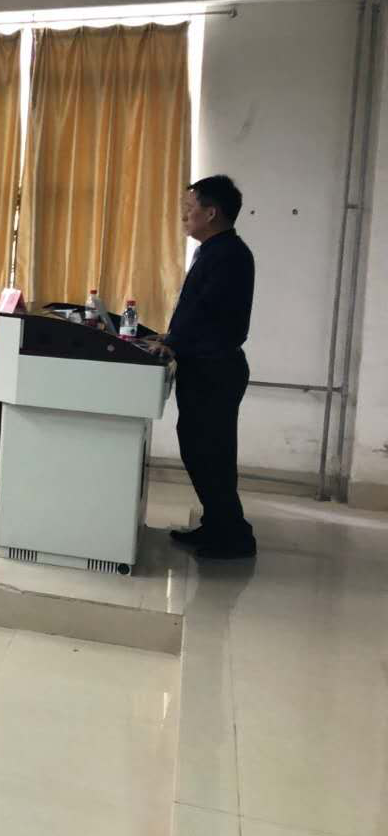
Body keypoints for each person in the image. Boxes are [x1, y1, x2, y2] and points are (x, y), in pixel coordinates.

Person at [157, 176, 257, 560]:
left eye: (190, 208)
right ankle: (218, 525)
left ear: (211, 213)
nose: (185, 215)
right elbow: (197, 311)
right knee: (201, 451)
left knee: (211, 454)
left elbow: (205, 312)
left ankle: (234, 537)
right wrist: (170, 338)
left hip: (215, 370)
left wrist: (172, 342)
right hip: (204, 366)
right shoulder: (215, 250)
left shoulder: (227, 254)